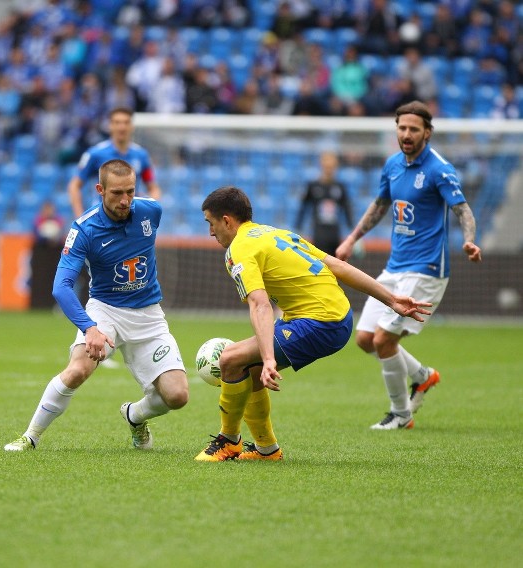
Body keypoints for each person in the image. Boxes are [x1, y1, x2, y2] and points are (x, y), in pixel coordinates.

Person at [193, 186, 431, 462]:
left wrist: (269, 357)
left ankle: (229, 441)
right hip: (338, 316)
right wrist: (391, 300)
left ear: (226, 221)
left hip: (319, 322)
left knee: (230, 359)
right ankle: (266, 449)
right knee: (250, 364)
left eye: (210, 223)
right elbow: (336, 265)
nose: (211, 232)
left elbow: (260, 304)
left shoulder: (239, 249)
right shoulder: (276, 233)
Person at [5, 159, 188, 452]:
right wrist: (90, 328)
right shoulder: (85, 229)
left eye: (130, 191)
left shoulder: (151, 211)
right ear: (100, 190)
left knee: (178, 395)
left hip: (149, 314)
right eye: (117, 193)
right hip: (106, 311)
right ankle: (30, 436)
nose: (125, 199)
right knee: (78, 370)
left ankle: (135, 415)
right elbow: (60, 287)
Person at [336, 100, 482, 430]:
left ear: (427, 133)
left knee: (383, 341)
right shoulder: (392, 165)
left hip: (426, 269)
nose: (406, 134)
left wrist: (470, 239)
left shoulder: (439, 169)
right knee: (364, 338)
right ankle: (422, 376)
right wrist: (351, 240)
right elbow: (379, 206)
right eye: (402, 127)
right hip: (396, 266)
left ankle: (401, 415)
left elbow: (463, 210)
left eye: (413, 129)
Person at [67, 107, 161, 219]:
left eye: (126, 122)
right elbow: (74, 185)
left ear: (132, 126)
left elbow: (153, 187)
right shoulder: (95, 154)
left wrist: (147, 207)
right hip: (102, 220)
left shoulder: (141, 155)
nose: (122, 127)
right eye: (117, 122)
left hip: (130, 219)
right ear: (110, 126)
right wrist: (80, 217)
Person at [294, 152, 354, 255]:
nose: (329, 170)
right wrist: (298, 227)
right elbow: (303, 208)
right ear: (321, 166)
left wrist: (352, 230)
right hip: (319, 232)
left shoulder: (340, 187)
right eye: (327, 166)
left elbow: (347, 208)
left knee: (336, 262)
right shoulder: (313, 186)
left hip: (334, 232)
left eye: (331, 167)